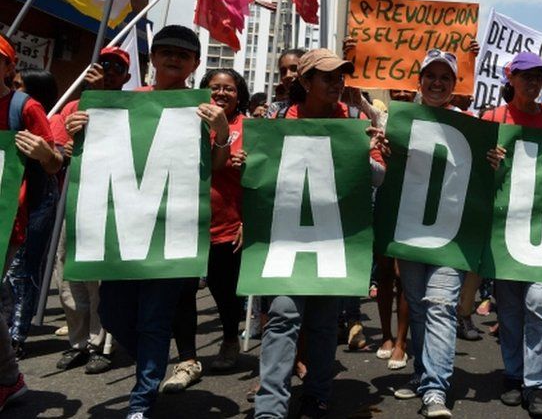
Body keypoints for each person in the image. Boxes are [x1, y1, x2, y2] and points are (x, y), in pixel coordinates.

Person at [64, 25, 230, 419]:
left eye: (183, 54)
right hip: (124, 234)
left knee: (155, 319)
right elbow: (86, 159)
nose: (173, 58)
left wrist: (221, 133)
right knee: (114, 315)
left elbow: (217, 167)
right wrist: (78, 131)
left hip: (173, 234)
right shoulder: (121, 103)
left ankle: (142, 399)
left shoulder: (202, 109)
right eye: (166, 51)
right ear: (152, 58)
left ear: (196, 63)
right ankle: (150, 365)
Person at [255, 48, 386, 419]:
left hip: (335, 238)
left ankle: (317, 394)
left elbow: (377, 179)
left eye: (339, 76)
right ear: (306, 81)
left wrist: (368, 152)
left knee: (325, 322)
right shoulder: (278, 117)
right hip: (286, 236)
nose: (336, 83)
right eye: (327, 76)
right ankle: (270, 408)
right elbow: (259, 176)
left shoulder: (355, 119)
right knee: (282, 315)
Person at [482, 51, 542, 418]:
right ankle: (513, 374)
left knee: (539, 303)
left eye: (539, 77)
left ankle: (537, 384)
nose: (533, 82)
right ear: (511, 79)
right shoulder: (492, 119)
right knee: (511, 307)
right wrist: (489, 161)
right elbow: (474, 171)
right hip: (504, 230)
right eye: (526, 76)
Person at [389, 48, 468, 418]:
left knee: (441, 307)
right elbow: (383, 177)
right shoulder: (400, 121)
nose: (437, 83)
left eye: (445, 77)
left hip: (450, 236)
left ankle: (436, 389)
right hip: (410, 232)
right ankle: (423, 375)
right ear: (419, 81)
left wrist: (492, 163)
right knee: (418, 308)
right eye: (431, 76)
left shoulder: (470, 125)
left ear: (454, 84)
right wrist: (382, 152)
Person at [161, 69, 250, 393]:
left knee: (225, 293)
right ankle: (187, 360)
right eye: (215, 88)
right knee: (182, 292)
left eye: (229, 89)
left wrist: (247, 219)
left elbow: (265, 176)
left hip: (227, 226)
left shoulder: (250, 128)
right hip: (185, 224)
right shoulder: (188, 123)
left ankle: (229, 339)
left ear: (239, 95)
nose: (222, 94)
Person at [50, 47, 132, 374]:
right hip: (76, 198)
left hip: (112, 201)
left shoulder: (131, 107)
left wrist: (99, 96)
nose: (108, 70)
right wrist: (66, 146)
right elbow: (56, 152)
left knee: (101, 278)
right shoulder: (73, 105)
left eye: (116, 67)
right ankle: (78, 342)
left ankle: (103, 344)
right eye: (103, 64)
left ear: (126, 77)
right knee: (69, 273)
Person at [0, 35, 62, 410]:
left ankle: (10, 378)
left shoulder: (25, 107)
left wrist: (45, 153)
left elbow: (55, 164)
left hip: (8, 222)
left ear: (10, 67)